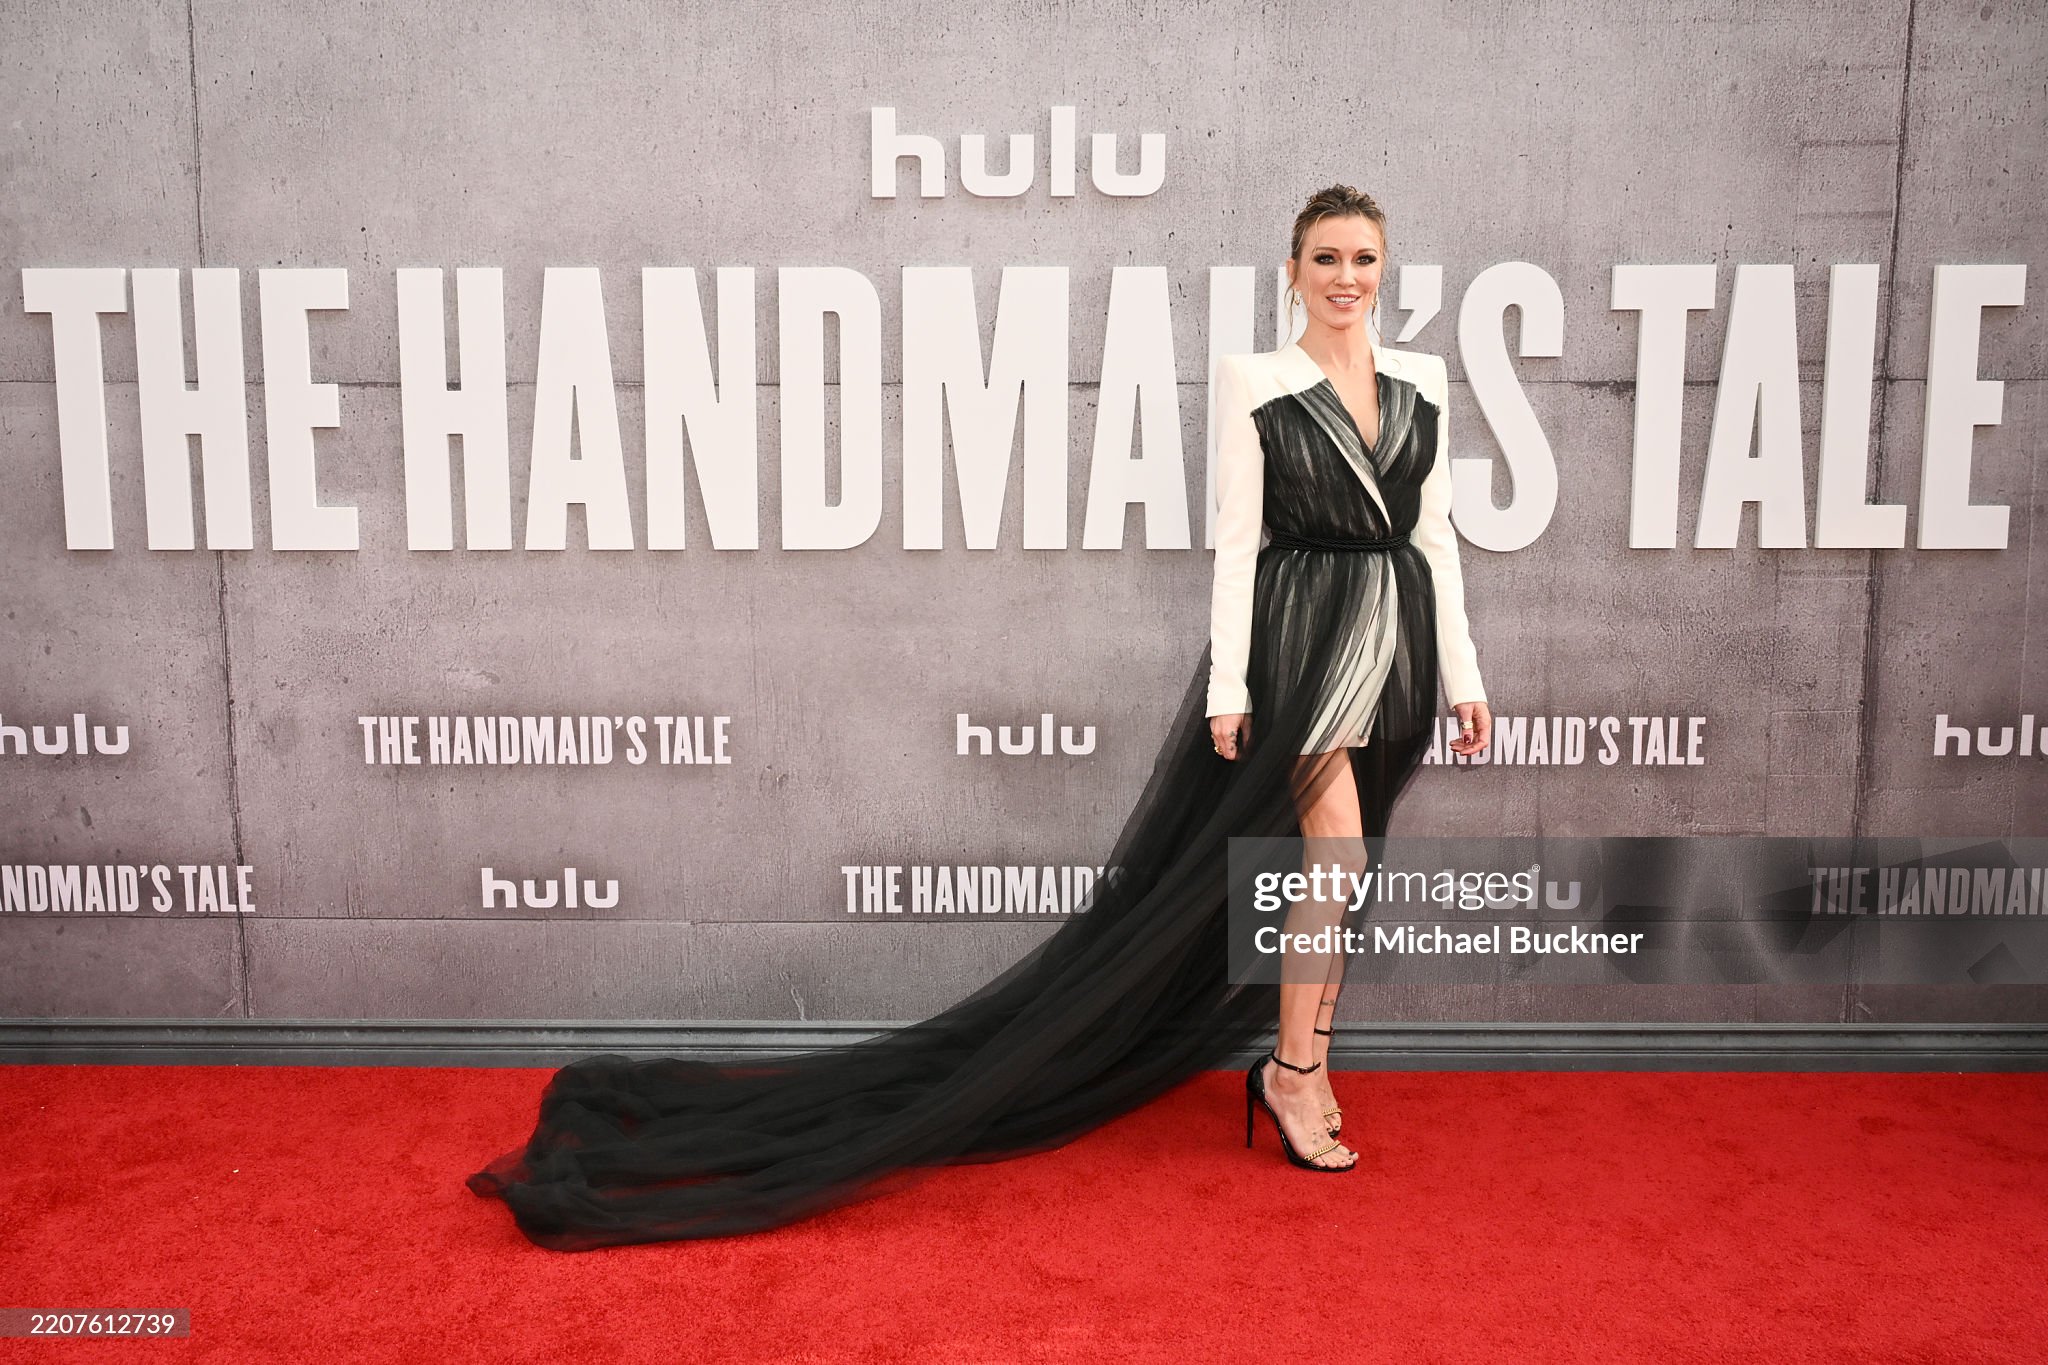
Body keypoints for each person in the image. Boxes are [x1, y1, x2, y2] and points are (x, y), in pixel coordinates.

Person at [466, 184, 1492, 1248]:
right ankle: (1293, 1072)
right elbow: (1238, 545)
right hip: (1302, 638)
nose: (1343, 278)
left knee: (1345, 863)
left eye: (1361, 259)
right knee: (1336, 852)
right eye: (1324, 258)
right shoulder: (1256, 379)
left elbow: (1435, 541)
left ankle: (1299, 1062)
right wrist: (1229, 686)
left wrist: (1461, 678)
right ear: (1292, 272)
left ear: (1383, 268)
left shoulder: (1420, 379)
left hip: (1397, 639)